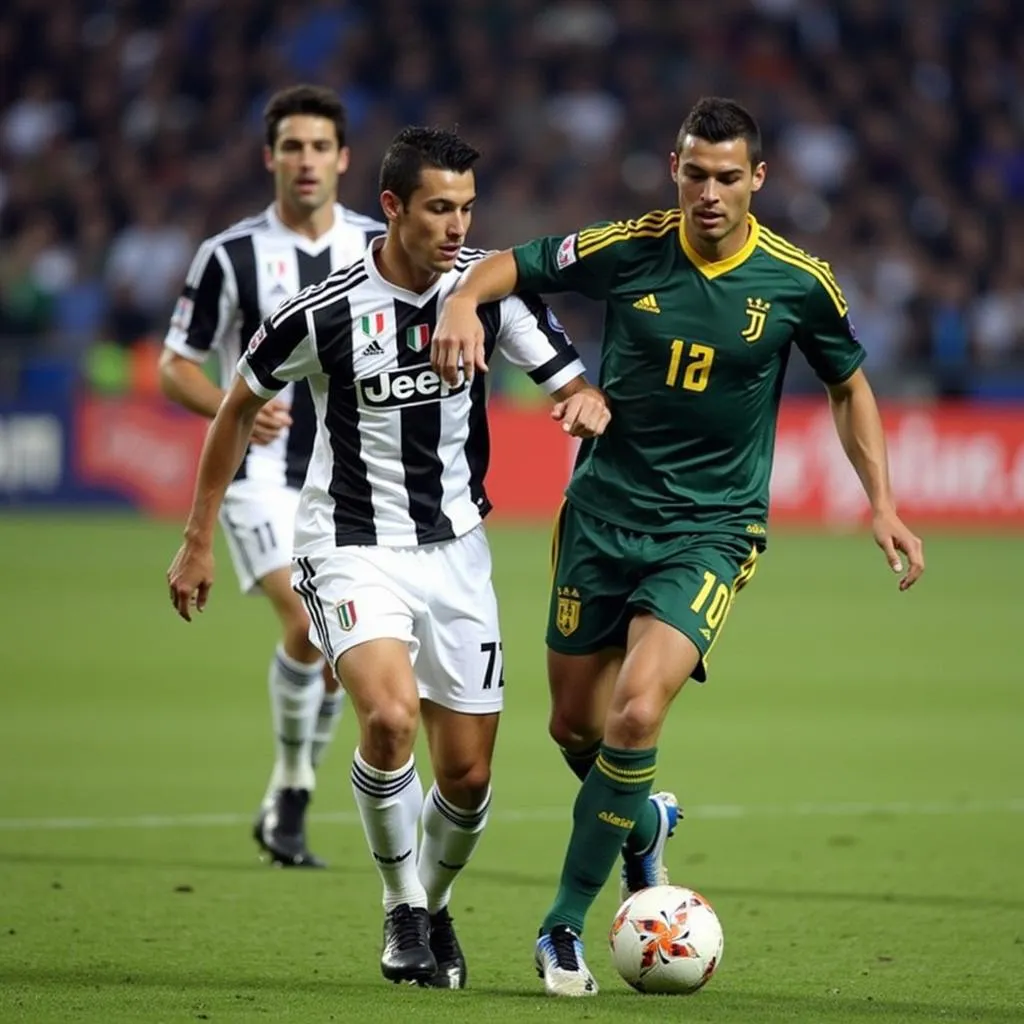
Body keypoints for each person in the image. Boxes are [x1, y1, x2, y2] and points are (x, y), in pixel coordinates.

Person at [432, 96, 926, 996]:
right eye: (695, 173)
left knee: (634, 716)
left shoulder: (796, 282)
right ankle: (643, 821)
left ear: (758, 180)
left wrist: (883, 504)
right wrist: (465, 297)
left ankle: (561, 927)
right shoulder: (630, 246)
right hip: (600, 517)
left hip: (709, 530)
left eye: (728, 177)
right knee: (573, 727)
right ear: (674, 169)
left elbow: (850, 387)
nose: (709, 192)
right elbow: (512, 264)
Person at [166, 126, 610, 988]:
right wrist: (196, 537)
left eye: (468, 208)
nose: (456, 226)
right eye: (440, 208)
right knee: (389, 719)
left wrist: (583, 403)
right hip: (348, 545)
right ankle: (402, 905)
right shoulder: (321, 312)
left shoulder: (487, 293)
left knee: (470, 779)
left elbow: (570, 380)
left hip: (457, 554)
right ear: (396, 206)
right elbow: (234, 408)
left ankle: (436, 906)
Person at [160, 85, 384, 868]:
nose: (307, 161)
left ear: (344, 158)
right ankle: (291, 790)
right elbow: (173, 366)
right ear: (270, 158)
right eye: (293, 146)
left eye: (320, 147)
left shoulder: (379, 246)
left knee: (332, 645)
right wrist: (233, 406)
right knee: (307, 622)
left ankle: (287, 794)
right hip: (259, 476)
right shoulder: (230, 255)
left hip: (352, 483)